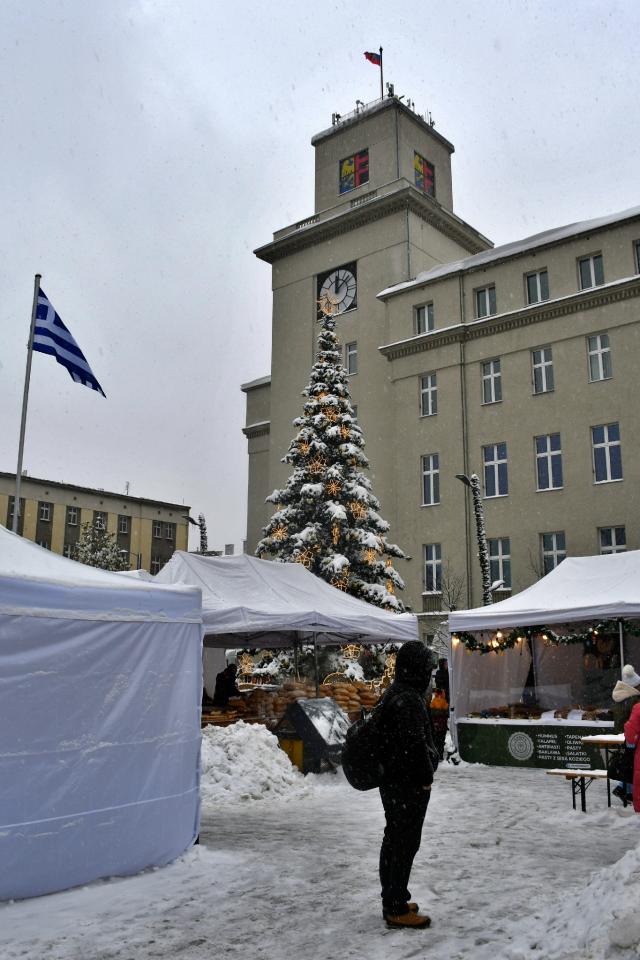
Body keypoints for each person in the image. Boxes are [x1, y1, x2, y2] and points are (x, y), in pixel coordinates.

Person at [377, 640, 438, 930]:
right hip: (407, 785)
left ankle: (392, 898)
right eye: (427, 668)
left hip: (392, 782)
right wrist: (426, 779)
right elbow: (415, 748)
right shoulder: (409, 700)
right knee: (404, 844)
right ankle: (396, 907)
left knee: (394, 840)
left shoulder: (395, 692)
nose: (429, 674)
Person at [612, 664, 640, 801]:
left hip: (620, 733)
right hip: (631, 735)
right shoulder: (634, 699)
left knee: (627, 762)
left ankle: (622, 787)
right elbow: (634, 719)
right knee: (632, 764)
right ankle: (629, 791)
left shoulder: (620, 696)